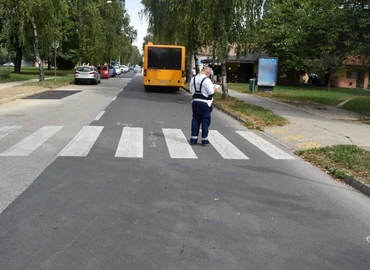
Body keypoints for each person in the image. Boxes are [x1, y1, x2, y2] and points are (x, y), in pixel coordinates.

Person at [189, 66, 216, 146]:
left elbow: (191, 90)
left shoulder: (193, 79)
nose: (209, 76)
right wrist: (214, 88)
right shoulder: (207, 80)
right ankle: (204, 140)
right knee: (205, 121)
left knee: (195, 119)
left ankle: (193, 139)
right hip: (205, 103)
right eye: (209, 74)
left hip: (195, 102)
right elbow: (211, 93)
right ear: (207, 73)